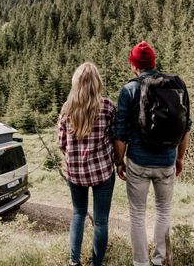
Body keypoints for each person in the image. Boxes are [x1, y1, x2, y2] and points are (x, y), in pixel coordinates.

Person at [114, 41, 191, 266]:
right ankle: (160, 261)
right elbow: (186, 127)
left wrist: (119, 162)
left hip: (137, 162)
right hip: (167, 161)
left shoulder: (129, 90)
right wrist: (179, 158)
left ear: (133, 66)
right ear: (154, 63)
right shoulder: (176, 86)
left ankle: (140, 263)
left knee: (137, 215)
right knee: (163, 211)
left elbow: (120, 133)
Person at [57, 62, 117, 266]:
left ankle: (74, 261)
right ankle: (96, 264)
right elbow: (115, 136)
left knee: (78, 214)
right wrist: (118, 161)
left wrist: (74, 157)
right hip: (102, 172)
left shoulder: (67, 108)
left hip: (75, 174)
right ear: (97, 83)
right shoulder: (107, 106)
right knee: (101, 222)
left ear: (76, 83)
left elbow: (61, 143)